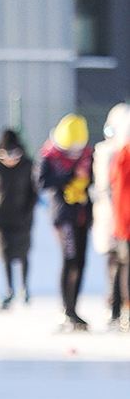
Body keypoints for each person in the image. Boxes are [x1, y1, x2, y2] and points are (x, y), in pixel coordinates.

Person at [35, 114, 94, 331]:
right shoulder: (49, 156)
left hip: (82, 213)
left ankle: (74, 308)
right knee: (69, 259)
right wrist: (69, 176)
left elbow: (94, 178)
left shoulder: (88, 154)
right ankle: (66, 309)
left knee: (80, 261)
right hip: (63, 215)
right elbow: (41, 182)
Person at [0, 129, 37, 309]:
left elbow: (33, 191)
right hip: (1, 217)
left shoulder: (27, 164)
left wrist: (28, 211)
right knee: (5, 254)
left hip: (22, 217)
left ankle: (24, 288)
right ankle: (9, 290)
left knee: (23, 253)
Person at [91, 104, 130, 331]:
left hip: (118, 220)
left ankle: (117, 308)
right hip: (119, 220)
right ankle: (117, 307)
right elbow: (107, 189)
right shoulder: (114, 154)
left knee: (119, 263)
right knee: (119, 263)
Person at [108, 111, 130, 331]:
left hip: (123, 222)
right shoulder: (124, 156)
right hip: (126, 223)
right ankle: (121, 309)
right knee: (124, 266)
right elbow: (121, 194)